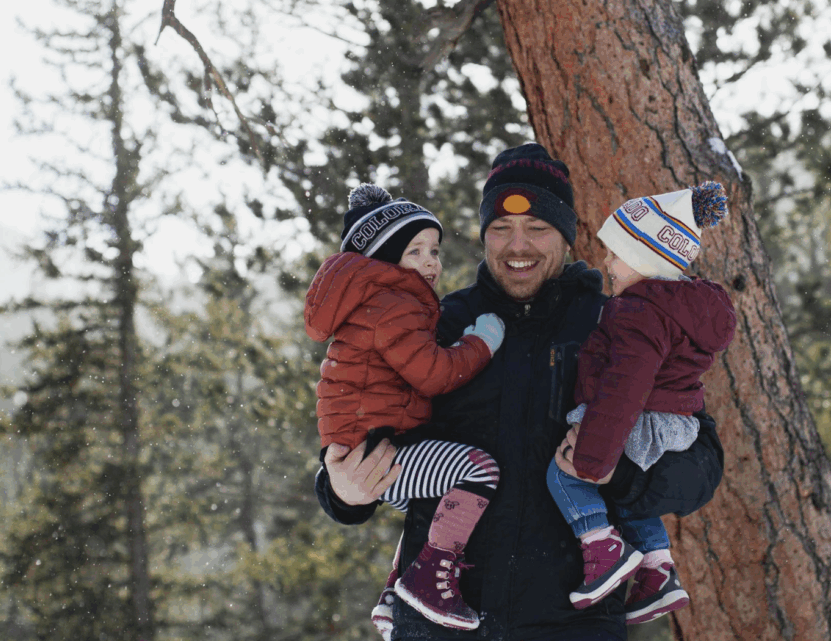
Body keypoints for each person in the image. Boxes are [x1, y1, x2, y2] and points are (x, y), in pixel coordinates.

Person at [315, 143, 725, 641]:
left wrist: (623, 477)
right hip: (441, 622)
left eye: (538, 228)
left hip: (575, 622)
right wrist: (342, 493)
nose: (518, 246)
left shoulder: (617, 323)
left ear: (567, 235)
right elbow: (358, 412)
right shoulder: (442, 326)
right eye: (501, 228)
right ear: (484, 234)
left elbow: (701, 463)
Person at [305, 184, 506, 634]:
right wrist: (480, 345)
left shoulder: (385, 305)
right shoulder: (395, 306)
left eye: (434, 249)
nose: (432, 262)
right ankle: (425, 584)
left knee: (433, 503)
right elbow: (434, 374)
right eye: (415, 252)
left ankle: (396, 587)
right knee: (478, 471)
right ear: (383, 261)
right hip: (377, 449)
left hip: (379, 440)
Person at [547, 182, 735, 622]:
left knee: (567, 475)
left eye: (616, 252)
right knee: (631, 496)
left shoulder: (637, 310)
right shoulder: (678, 308)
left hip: (637, 419)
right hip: (672, 422)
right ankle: (657, 570)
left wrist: (593, 458)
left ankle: (601, 550)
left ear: (647, 257)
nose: (607, 262)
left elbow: (625, 385)